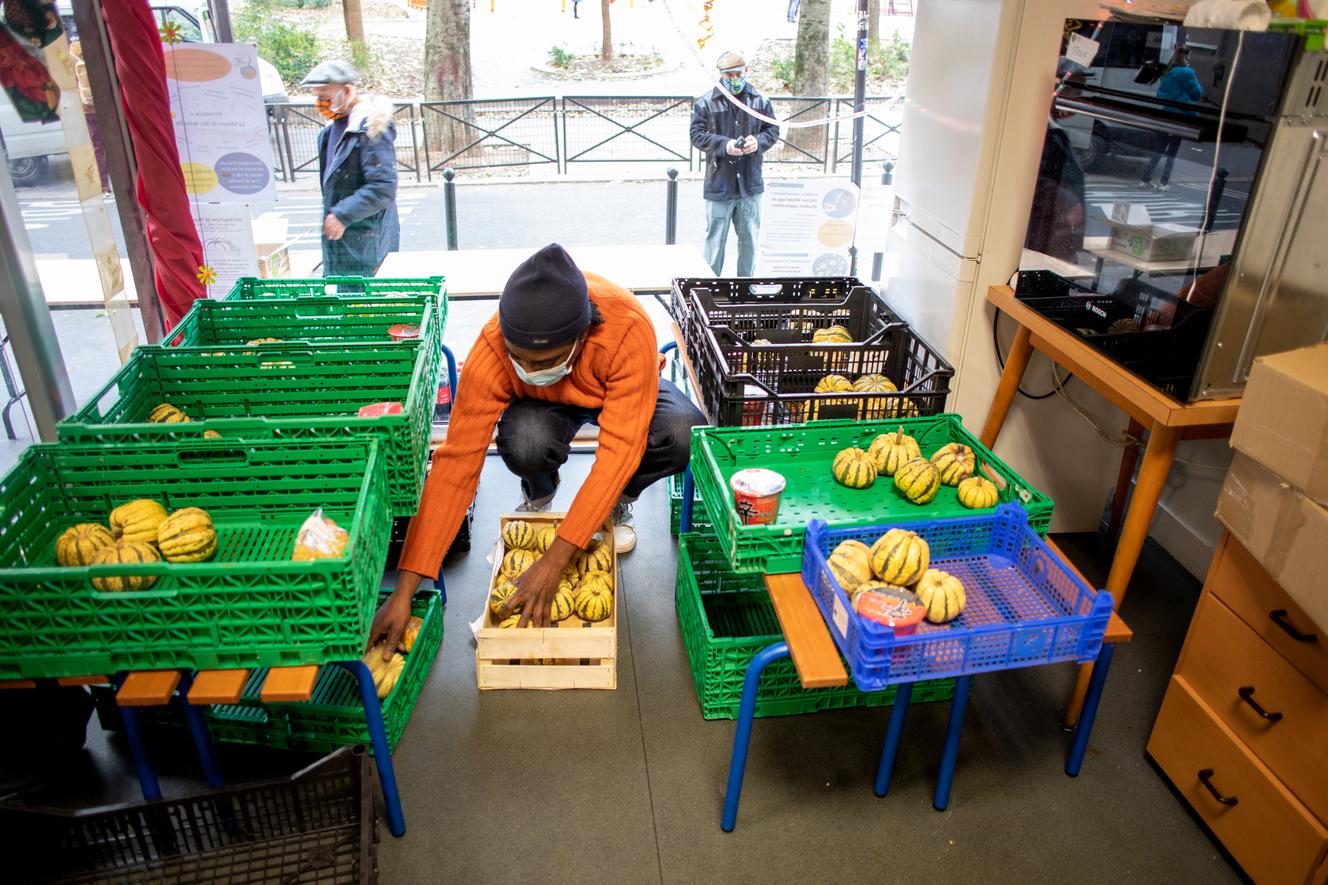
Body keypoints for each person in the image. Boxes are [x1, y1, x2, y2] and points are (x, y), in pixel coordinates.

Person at [368, 244, 706, 648]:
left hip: (617, 393)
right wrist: (405, 590)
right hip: (544, 408)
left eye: (545, 361)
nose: (528, 370)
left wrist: (555, 560)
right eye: (519, 360)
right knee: (524, 440)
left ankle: (617, 501)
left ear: (582, 337)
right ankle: (540, 493)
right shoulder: (493, 347)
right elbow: (455, 465)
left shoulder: (627, 327)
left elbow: (620, 448)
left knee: (682, 430)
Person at [300, 61, 400, 278]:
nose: (320, 103)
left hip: (366, 241)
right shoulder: (334, 128)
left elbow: (383, 187)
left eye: (325, 97)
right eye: (316, 97)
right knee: (348, 301)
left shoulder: (371, 126)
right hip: (349, 242)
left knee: (361, 306)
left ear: (346, 91)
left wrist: (342, 215)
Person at [690, 50, 780, 277]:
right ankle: (709, 291)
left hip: (749, 184)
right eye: (727, 76)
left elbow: (772, 130)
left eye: (736, 74)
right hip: (720, 182)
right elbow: (696, 135)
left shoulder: (760, 100)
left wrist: (757, 142)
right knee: (715, 244)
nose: (732, 79)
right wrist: (724, 145)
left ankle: (745, 291)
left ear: (746, 71)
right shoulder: (706, 102)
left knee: (749, 241)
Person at [1139, 47, 1202, 192]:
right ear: (1187, 56)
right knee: (1172, 153)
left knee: (1159, 150)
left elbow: (1162, 94)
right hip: (1178, 118)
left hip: (1165, 115)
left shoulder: (1168, 72)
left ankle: (1145, 179)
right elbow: (1196, 94)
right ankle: (1164, 183)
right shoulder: (1187, 72)